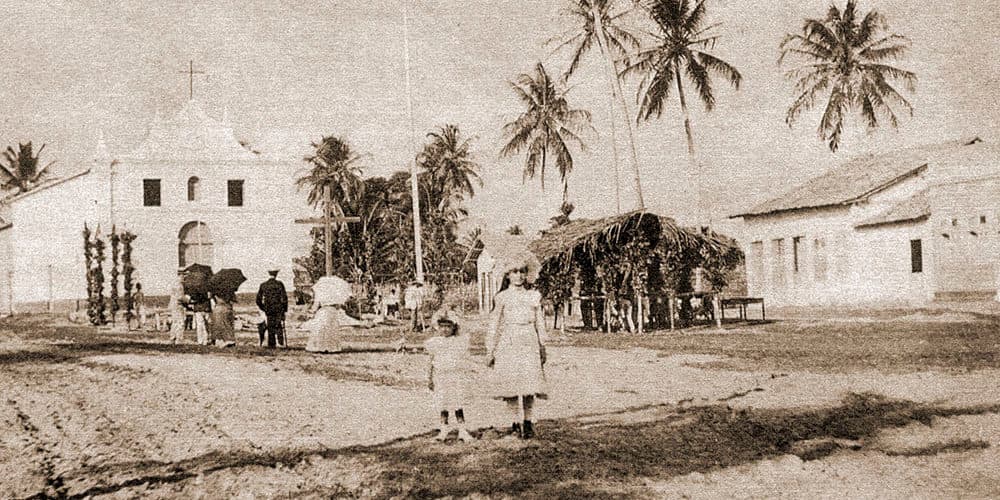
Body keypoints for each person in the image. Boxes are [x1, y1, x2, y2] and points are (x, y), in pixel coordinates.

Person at [486, 253, 547, 439]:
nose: (519, 276)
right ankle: (514, 422)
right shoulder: (502, 297)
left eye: (522, 272)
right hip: (509, 340)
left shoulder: (533, 296)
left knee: (529, 383)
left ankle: (528, 422)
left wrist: (542, 344)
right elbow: (494, 323)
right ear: (507, 275)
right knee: (511, 383)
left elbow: (539, 321)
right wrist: (490, 348)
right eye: (514, 272)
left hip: (529, 339)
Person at [425, 309, 474, 442]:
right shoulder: (434, 342)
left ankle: (462, 430)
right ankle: (443, 429)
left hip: (455, 376)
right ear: (438, 327)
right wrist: (429, 378)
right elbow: (430, 361)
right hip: (441, 376)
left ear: (454, 327)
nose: (445, 329)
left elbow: (464, 360)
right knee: (443, 403)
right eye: (442, 326)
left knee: (457, 402)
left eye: (448, 326)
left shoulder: (458, 341)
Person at [256, 268, 289, 348]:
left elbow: (258, 300)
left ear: (269, 274)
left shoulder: (263, 285)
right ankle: (281, 343)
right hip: (278, 308)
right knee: (278, 326)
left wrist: (263, 307)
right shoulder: (280, 284)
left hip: (268, 308)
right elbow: (284, 298)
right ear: (276, 274)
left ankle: (271, 344)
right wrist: (284, 309)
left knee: (270, 326)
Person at [167, 270, 186, 344]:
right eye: (183, 275)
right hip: (178, 305)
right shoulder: (180, 286)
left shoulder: (174, 284)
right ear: (180, 275)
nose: (184, 277)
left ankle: (172, 337)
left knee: (174, 322)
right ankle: (179, 339)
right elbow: (180, 297)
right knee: (180, 322)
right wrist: (187, 299)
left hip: (173, 305)